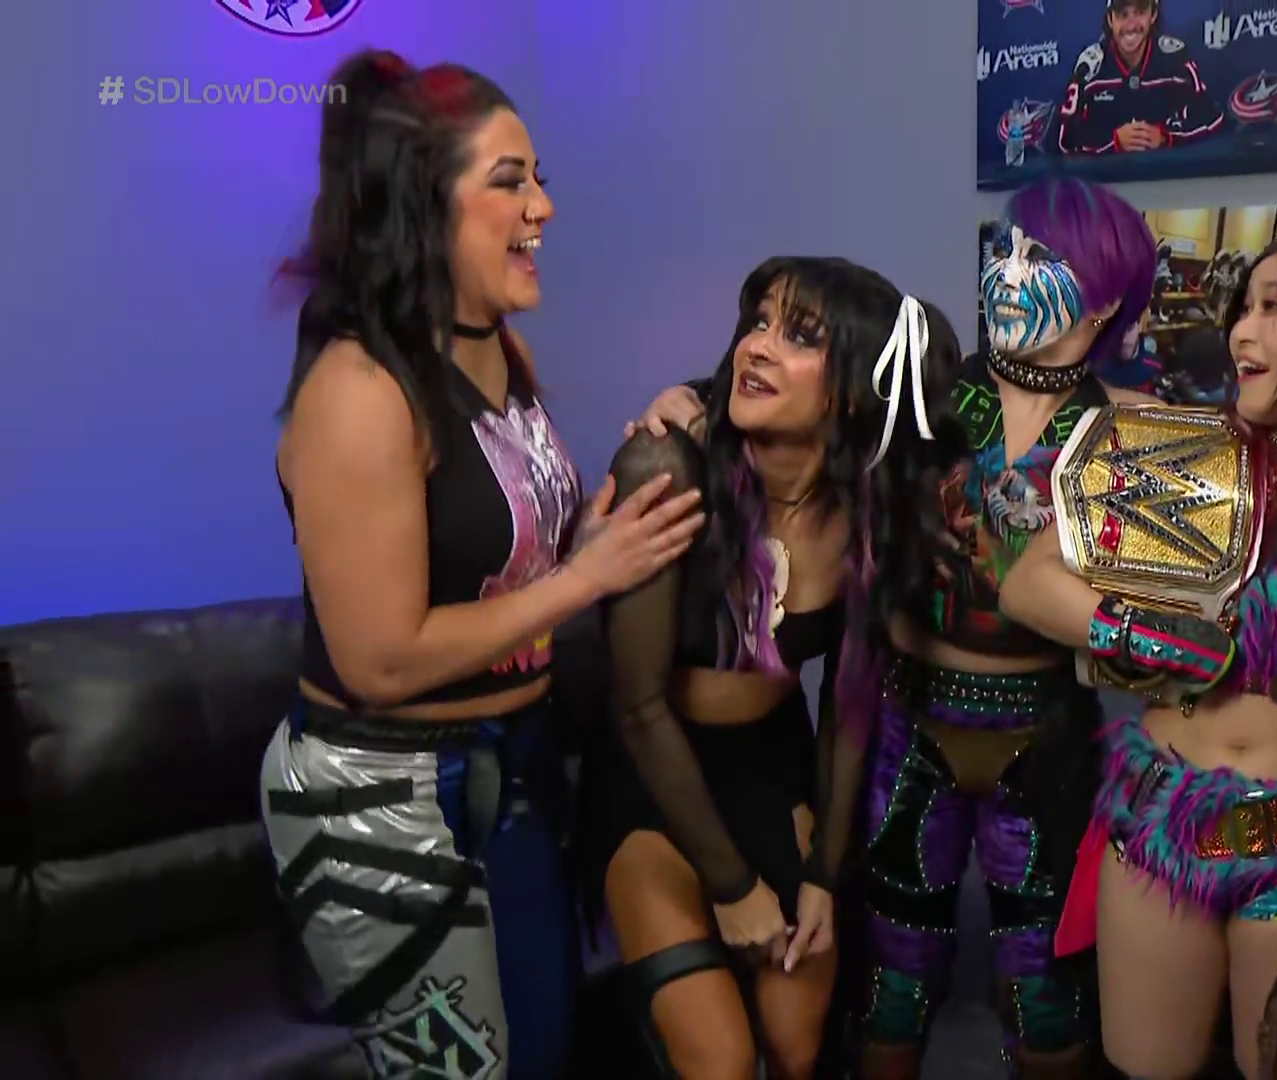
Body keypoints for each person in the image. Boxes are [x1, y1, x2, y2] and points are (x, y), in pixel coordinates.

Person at [635, 177, 1160, 1079]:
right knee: (893, 982)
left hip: (1045, 733)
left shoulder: (1135, 431)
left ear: (1105, 298)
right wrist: (686, 399)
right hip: (909, 721)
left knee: (1045, 995)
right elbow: (797, 387)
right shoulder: (927, 394)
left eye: (1042, 257)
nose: (1010, 271)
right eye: (1005, 247)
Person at [259, 49, 704, 1079]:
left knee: (543, 1049)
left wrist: (596, 536)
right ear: (424, 204)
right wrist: (584, 582)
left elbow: (502, 562)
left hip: (517, 762)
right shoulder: (360, 391)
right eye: (510, 182)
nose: (543, 207)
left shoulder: (504, 351)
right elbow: (380, 659)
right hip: (383, 793)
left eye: (539, 177)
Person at [1000, 229, 1277, 1080]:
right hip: (1159, 820)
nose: (1241, 333)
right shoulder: (1185, 451)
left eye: (1274, 308)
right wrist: (1128, 630)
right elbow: (1028, 583)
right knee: (1143, 1068)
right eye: (1243, 308)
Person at [579, 256, 968, 1080]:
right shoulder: (668, 469)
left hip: (768, 768)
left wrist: (824, 875)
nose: (757, 345)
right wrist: (731, 887)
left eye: (800, 335)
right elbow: (638, 706)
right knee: (721, 1060)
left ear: (856, 389)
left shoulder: (868, 511)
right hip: (651, 776)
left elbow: (848, 709)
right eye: (758, 321)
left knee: (798, 1045)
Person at [1058, 0, 1225, 156]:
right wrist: (1114, 140)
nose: (1131, 25)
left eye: (1139, 12)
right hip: (1106, 175)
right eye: (1123, 14)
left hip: (1164, 172)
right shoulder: (1090, 68)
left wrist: (1165, 136)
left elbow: (1212, 118)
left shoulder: (1175, 59)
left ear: (1153, 15)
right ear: (1110, 19)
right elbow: (1065, 138)